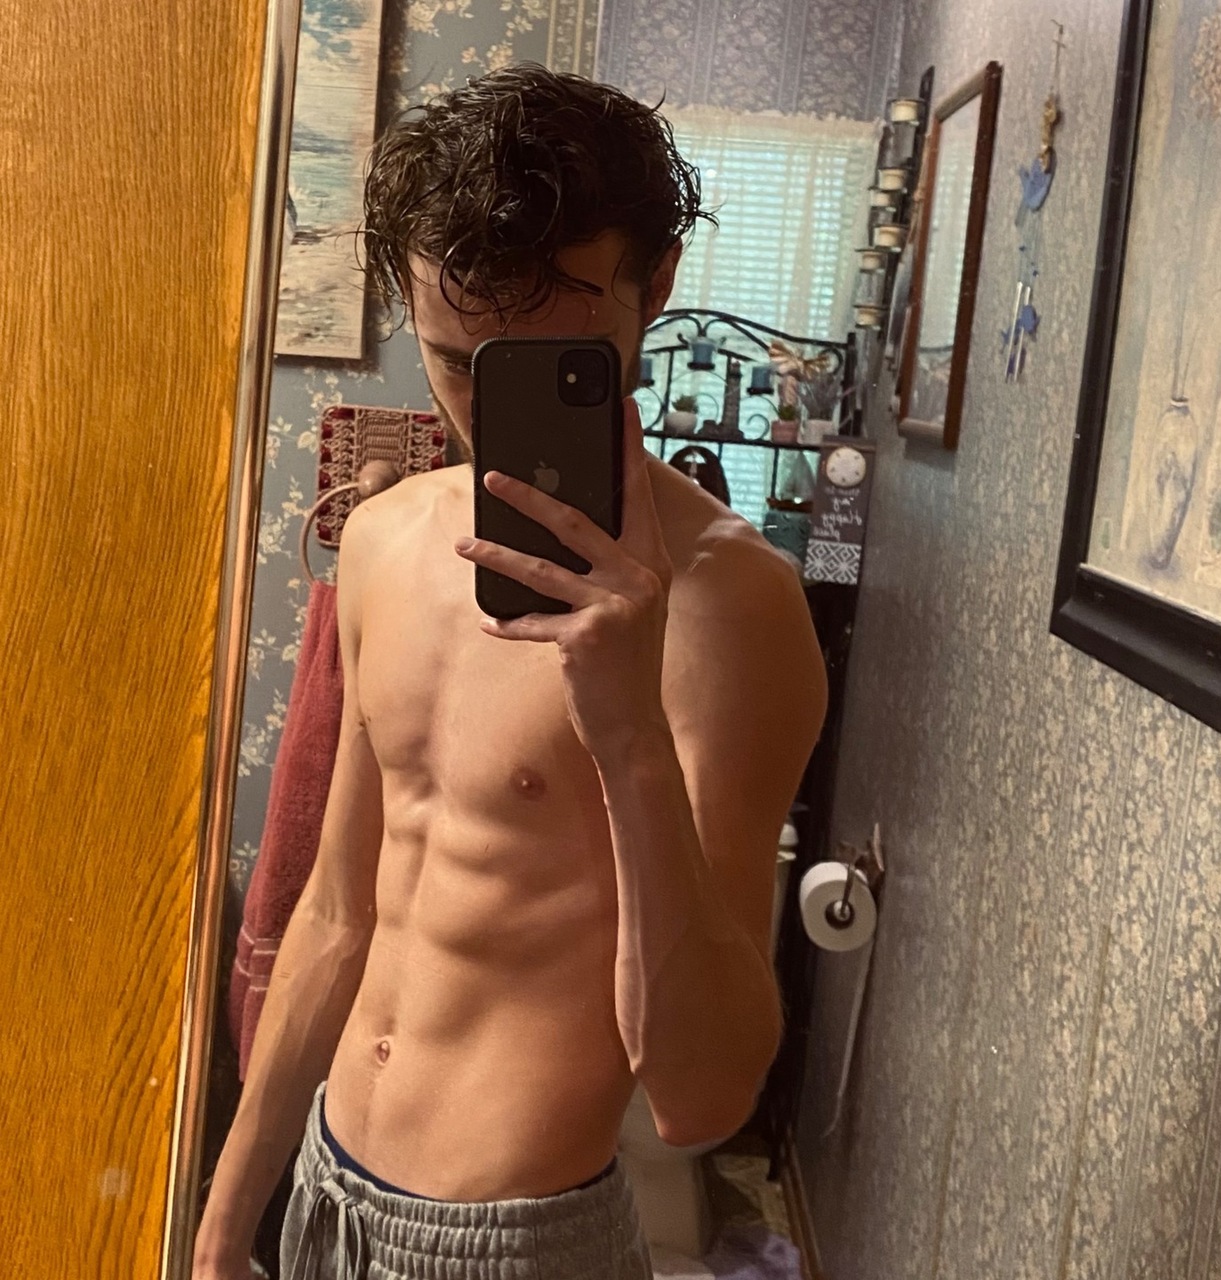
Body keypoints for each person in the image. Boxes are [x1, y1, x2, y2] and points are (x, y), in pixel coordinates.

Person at [194, 64, 827, 1280]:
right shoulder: (382, 540)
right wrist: (227, 1222)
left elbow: (703, 1093)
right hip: (324, 1189)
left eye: (552, 366)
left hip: (518, 1240)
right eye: (454, 361)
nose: (496, 414)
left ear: (656, 286)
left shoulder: (733, 606)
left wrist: (628, 730)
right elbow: (337, 911)